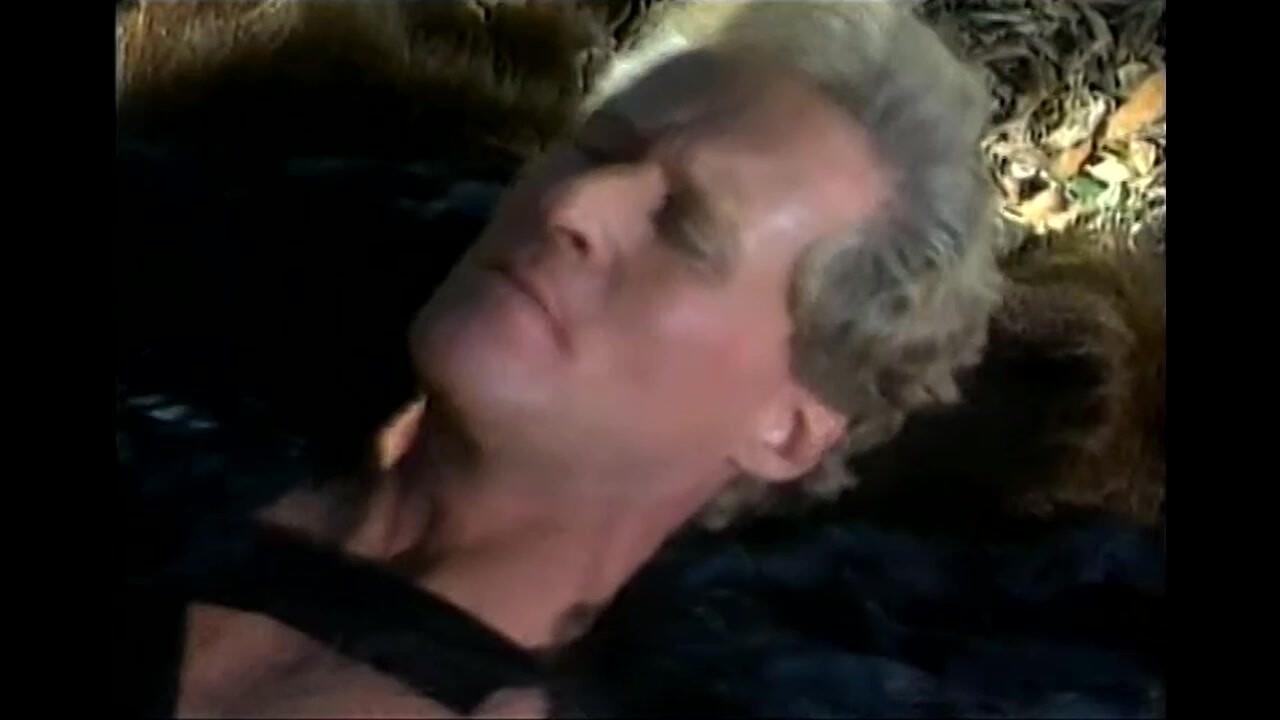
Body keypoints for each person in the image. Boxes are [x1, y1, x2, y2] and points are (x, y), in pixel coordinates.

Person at [117, 2, 1161, 717]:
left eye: (688, 228)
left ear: (789, 427)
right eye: (599, 149)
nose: (572, 206)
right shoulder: (195, 333)